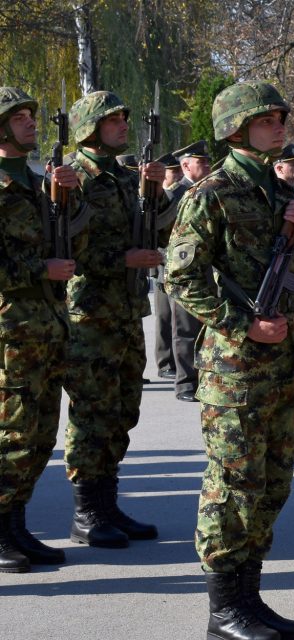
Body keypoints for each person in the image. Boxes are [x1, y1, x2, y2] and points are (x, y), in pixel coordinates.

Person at [167, 80, 294, 640]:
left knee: (273, 483)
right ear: (237, 130)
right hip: (233, 369)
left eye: (281, 117)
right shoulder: (210, 193)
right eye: (267, 120)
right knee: (233, 487)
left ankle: (249, 598)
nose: (280, 125)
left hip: (279, 363)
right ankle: (223, 609)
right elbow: (180, 276)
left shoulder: (283, 196)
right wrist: (243, 324)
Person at [63, 90, 167, 549]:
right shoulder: (72, 179)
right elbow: (68, 250)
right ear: (90, 128)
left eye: (125, 118)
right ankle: (86, 511)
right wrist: (123, 259)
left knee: (123, 408)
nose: (123, 126)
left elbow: (158, 227)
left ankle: (107, 504)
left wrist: (157, 189)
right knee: (92, 411)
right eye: (113, 120)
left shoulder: (125, 178)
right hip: (91, 313)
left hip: (126, 310)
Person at [0, 86, 83, 572]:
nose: (31, 122)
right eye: (20, 117)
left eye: (31, 115)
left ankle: (15, 525)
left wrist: (66, 198)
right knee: (10, 434)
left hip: (46, 328)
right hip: (11, 333)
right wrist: (39, 271)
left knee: (39, 436)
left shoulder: (33, 181)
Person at [157, 140, 210, 403]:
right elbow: (161, 231)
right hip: (182, 268)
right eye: (202, 162)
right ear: (185, 165)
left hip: (206, 269)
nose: (208, 166)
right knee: (184, 328)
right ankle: (186, 383)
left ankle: (200, 378)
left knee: (203, 328)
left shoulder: (209, 191)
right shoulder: (175, 195)